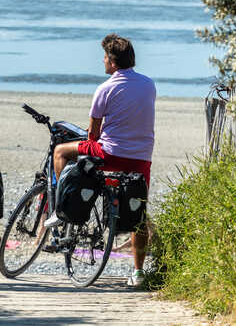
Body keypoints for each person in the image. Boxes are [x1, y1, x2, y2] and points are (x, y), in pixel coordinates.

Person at [44, 33, 155, 288]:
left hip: (110, 154)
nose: (103, 61)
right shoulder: (149, 84)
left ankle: (63, 207)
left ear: (113, 63)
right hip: (140, 159)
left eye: (105, 57)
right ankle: (138, 273)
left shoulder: (105, 89)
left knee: (61, 151)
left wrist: (94, 136)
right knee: (140, 213)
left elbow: (93, 134)